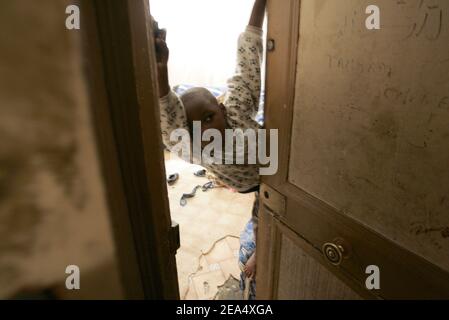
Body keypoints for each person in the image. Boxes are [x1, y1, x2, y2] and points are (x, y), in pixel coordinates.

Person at [154, 0, 267, 300]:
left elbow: (248, 57)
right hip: (255, 188)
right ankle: (258, 251)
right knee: (260, 221)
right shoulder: (193, 150)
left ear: (221, 107)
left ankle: (259, 254)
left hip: (275, 177)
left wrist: (260, 5)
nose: (205, 130)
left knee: (265, 222)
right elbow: (170, 122)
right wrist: (161, 78)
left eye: (208, 117)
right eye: (194, 126)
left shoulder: (237, 110)